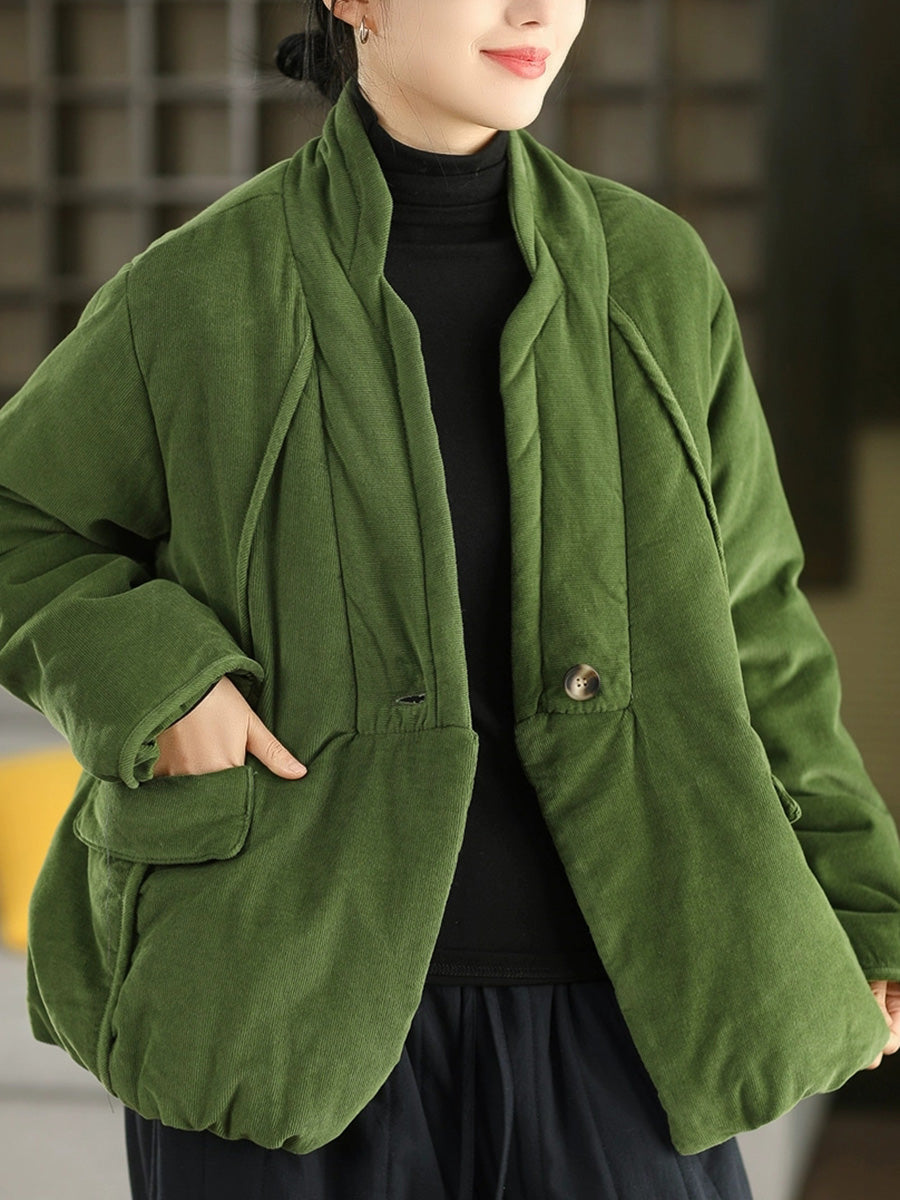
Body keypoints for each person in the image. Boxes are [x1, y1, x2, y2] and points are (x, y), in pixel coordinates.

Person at [1, 0, 899, 1196]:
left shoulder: (655, 274)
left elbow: (761, 623)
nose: (538, 11)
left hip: (629, 1007)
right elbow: (18, 516)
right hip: (278, 1002)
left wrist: (865, 905)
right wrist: (162, 684)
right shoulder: (196, 292)